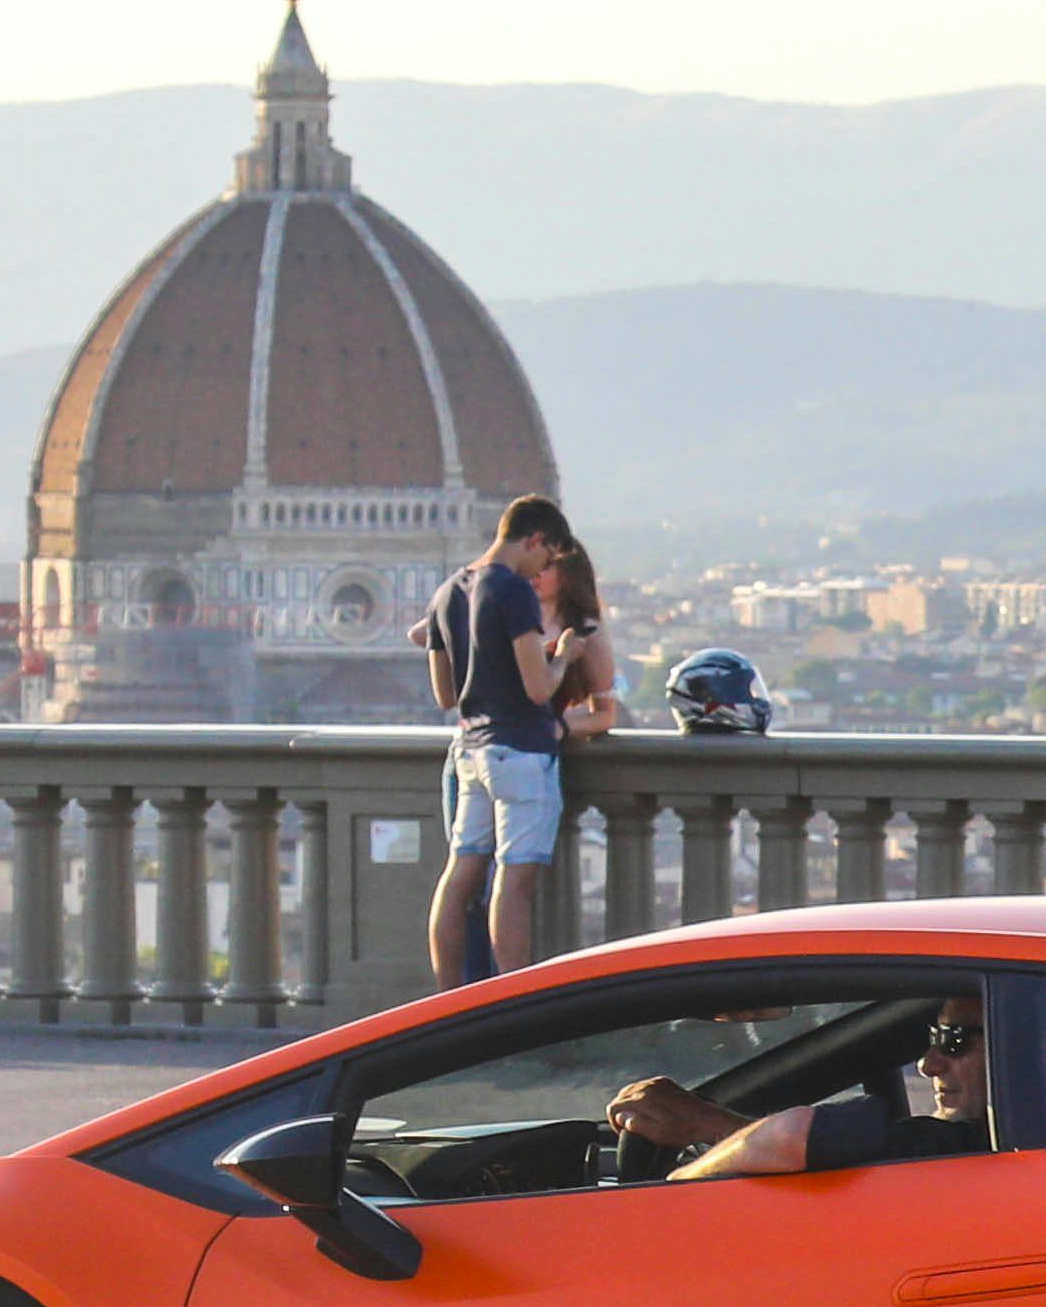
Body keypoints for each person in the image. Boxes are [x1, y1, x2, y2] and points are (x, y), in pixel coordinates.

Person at [417, 496, 584, 986]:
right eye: (547, 558)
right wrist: (564, 655)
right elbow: (539, 688)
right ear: (534, 539)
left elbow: (445, 694)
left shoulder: (448, 592)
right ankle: (514, 999)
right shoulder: (512, 590)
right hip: (521, 750)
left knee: (460, 876)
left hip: (471, 750)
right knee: (514, 881)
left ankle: (446, 996)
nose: (543, 572)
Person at [606, 994, 989, 1179]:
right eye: (935, 1037)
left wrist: (682, 1172)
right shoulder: (991, 1148)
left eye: (954, 1040)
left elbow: (791, 1136)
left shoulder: (967, 1145)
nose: (927, 1064)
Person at [545, 540, 627, 745]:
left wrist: (557, 728)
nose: (535, 573)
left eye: (547, 566)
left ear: (568, 574)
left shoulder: (585, 630)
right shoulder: (513, 617)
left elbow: (605, 714)